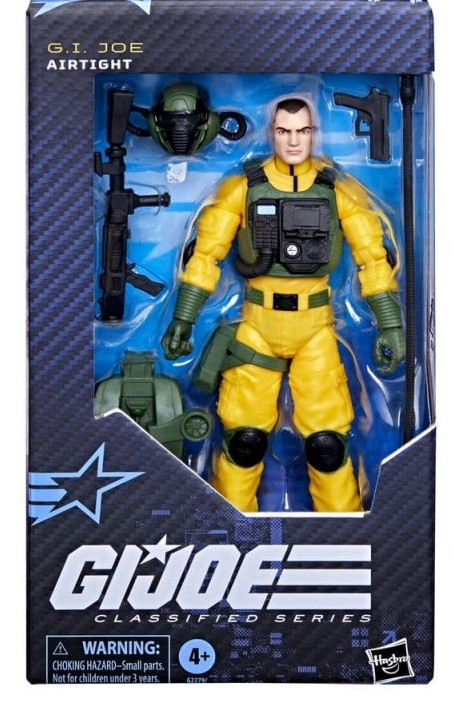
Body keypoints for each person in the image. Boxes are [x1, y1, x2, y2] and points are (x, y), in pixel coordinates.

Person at [162, 98, 405, 512]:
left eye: (303, 131)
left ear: (314, 134)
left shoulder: (338, 191)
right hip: (256, 327)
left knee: (328, 445)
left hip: (315, 329)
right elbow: (205, 256)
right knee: (244, 441)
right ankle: (232, 531)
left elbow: (373, 257)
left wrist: (390, 324)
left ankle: (344, 532)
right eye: (284, 131)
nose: (294, 141)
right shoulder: (241, 189)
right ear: (271, 133)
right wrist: (183, 318)